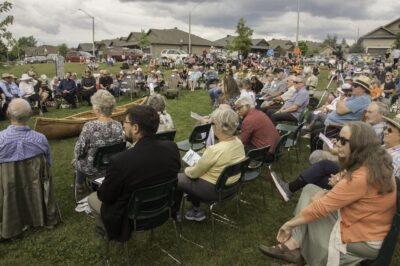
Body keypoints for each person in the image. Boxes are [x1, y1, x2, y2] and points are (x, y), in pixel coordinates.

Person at [260, 121, 397, 265]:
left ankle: (300, 251)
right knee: (310, 190)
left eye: (343, 141)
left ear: (359, 145)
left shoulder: (362, 176)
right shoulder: (371, 162)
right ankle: (295, 244)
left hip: (362, 238)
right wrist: (330, 189)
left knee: (313, 211)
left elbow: (321, 207)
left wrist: (289, 225)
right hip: (362, 223)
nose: (337, 143)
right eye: (339, 138)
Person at [87, 105, 181, 241]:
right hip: (163, 209)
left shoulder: (120, 161)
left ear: (135, 128)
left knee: (92, 198)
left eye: (125, 122)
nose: (123, 126)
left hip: (131, 218)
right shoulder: (172, 148)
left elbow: (105, 196)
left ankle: (106, 230)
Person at [175, 108, 245, 221]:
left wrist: (187, 169)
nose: (212, 126)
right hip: (232, 187)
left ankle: (179, 212)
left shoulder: (214, 150)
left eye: (213, 123)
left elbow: (193, 174)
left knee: (178, 178)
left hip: (215, 191)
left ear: (219, 126)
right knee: (192, 176)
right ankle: (195, 209)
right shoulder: (239, 142)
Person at [73, 90, 124, 194]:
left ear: (97, 109)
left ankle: (79, 185)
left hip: (93, 167)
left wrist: (76, 158)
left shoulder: (90, 126)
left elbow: (79, 151)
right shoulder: (118, 125)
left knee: (77, 160)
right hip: (111, 165)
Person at [310, 75, 371, 151]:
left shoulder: (362, 100)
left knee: (316, 137)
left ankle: (320, 159)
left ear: (363, 89)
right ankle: (318, 158)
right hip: (333, 124)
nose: (352, 87)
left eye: (355, 86)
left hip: (338, 127)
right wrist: (341, 102)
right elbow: (340, 105)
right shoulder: (356, 97)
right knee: (315, 129)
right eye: (353, 85)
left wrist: (341, 102)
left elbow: (339, 110)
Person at [0, 98, 51, 164]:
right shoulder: (40, 139)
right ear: (30, 114)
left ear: (8, 113)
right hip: (36, 174)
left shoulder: (1, 139)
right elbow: (47, 163)